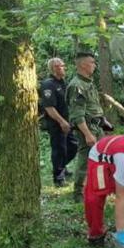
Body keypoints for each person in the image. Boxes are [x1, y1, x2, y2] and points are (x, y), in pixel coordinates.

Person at [67, 52, 111, 202]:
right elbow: (77, 114)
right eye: (92, 62)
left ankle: (99, 188)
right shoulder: (77, 86)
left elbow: (93, 107)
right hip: (87, 129)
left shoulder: (88, 83)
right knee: (85, 160)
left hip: (97, 127)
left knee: (100, 159)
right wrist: (87, 134)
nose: (95, 65)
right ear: (83, 65)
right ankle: (79, 195)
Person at [40, 57, 78, 187]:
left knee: (73, 147)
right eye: (61, 65)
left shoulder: (63, 83)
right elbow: (49, 107)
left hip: (68, 122)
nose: (64, 67)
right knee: (59, 149)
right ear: (55, 67)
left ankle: (61, 167)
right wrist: (62, 122)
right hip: (56, 123)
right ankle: (58, 178)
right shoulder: (48, 84)